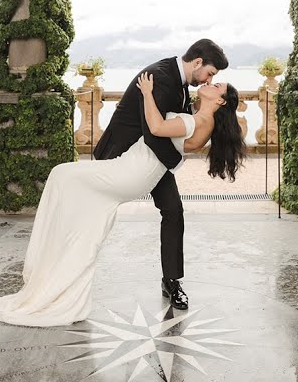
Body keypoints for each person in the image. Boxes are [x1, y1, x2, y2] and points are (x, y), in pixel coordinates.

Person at [0, 73, 245, 327]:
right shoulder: (197, 116)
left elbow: (156, 128)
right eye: (212, 77)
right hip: (138, 171)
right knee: (69, 187)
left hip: (132, 172)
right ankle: (61, 261)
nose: (212, 82)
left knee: (61, 176)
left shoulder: (200, 120)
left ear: (220, 101)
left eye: (218, 85)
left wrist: (145, 93)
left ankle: (53, 257)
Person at [91, 39, 229, 310]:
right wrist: (178, 161)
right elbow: (152, 132)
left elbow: (169, 129)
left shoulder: (179, 82)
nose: (208, 80)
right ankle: (77, 268)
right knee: (97, 215)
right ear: (198, 62)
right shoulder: (159, 76)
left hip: (150, 157)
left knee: (173, 210)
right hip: (121, 155)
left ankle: (172, 281)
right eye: (211, 74)